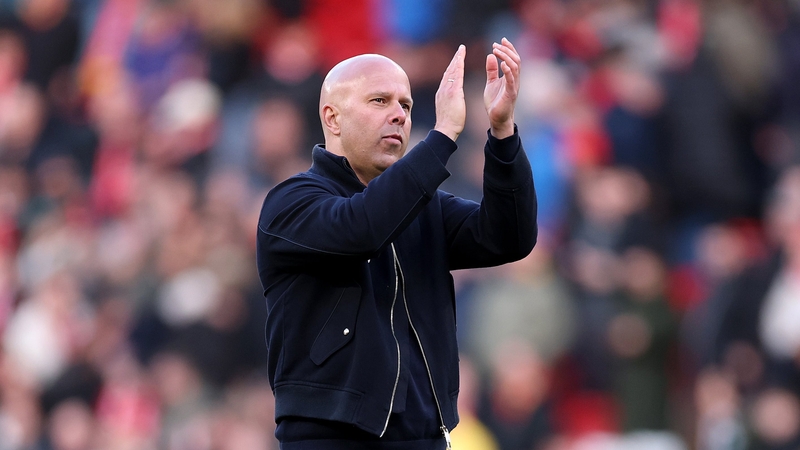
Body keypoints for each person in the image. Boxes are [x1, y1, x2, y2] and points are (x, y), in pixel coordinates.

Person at [256, 38, 537, 449]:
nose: (398, 116)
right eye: (379, 101)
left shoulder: (423, 207)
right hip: (329, 437)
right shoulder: (290, 202)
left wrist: (502, 131)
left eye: (405, 106)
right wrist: (442, 136)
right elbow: (363, 227)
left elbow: (508, 238)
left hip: (422, 436)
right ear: (332, 118)